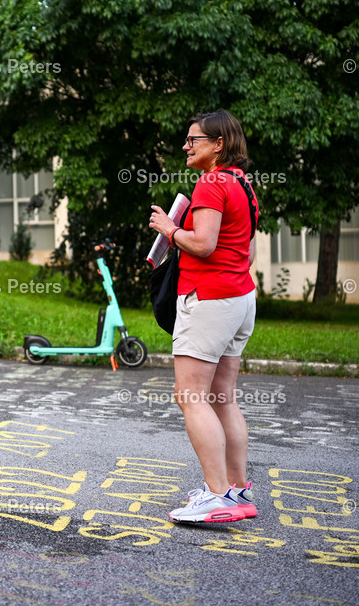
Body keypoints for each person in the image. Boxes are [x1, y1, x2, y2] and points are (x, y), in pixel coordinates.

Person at [148, 110, 259, 524]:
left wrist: (168, 228)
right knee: (221, 396)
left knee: (191, 395)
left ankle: (217, 497)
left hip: (209, 299)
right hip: (239, 298)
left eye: (194, 140)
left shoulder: (211, 182)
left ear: (219, 145)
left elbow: (205, 243)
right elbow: (244, 250)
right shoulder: (242, 183)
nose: (186, 146)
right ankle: (237, 491)